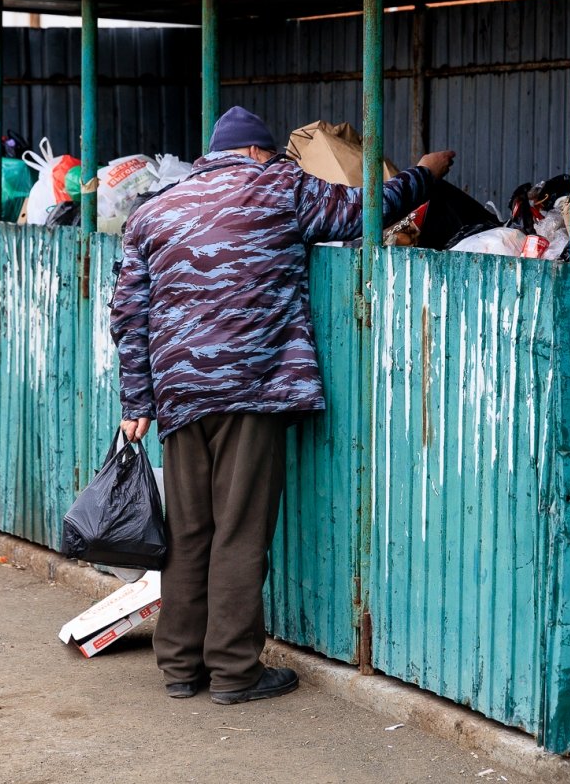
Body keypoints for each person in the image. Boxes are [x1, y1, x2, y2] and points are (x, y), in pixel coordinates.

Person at [110, 106, 454, 705]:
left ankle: (180, 666)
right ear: (253, 153)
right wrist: (425, 173)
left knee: (188, 532)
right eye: (271, 155)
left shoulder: (153, 212)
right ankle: (236, 672)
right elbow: (366, 208)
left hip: (179, 394)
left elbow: (128, 314)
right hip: (250, 387)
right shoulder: (280, 187)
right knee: (240, 532)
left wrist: (137, 399)